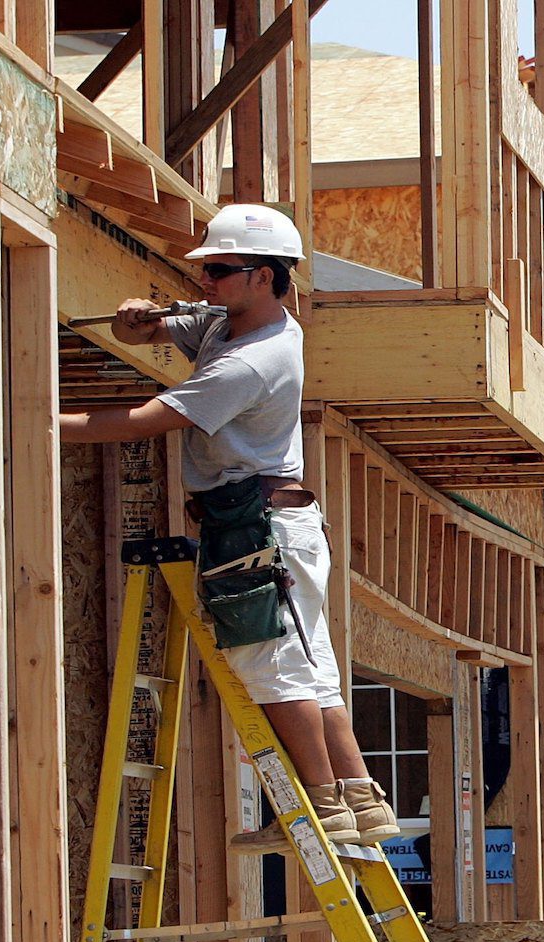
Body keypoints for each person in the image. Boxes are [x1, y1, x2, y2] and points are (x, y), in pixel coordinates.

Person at [60, 204, 397, 853]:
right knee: (309, 672)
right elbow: (154, 332)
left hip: (257, 529)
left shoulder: (252, 361)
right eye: (206, 269)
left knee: (273, 671)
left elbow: (141, 421)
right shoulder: (231, 322)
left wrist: (39, 418)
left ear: (267, 276)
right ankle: (360, 800)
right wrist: (141, 321)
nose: (206, 280)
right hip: (269, 523)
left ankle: (319, 807)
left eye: (220, 269)